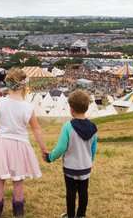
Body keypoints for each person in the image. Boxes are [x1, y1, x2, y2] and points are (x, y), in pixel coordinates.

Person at [0, 68, 49, 218]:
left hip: (1, 143)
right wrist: (44, 149)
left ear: (7, 84)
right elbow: (36, 130)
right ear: (24, 86)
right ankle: (18, 209)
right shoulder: (28, 108)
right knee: (18, 178)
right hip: (20, 145)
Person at [45, 90, 98, 218]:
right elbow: (93, 149)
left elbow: (60, 148)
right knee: (83, 192)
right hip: (85, 167)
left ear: (71, 109)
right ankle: (81, 215)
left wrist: (50, 157)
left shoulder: (67, 127)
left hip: (70, 167)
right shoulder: (93, 127)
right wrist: (89, 161)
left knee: (71, 192)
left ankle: (70, 215)